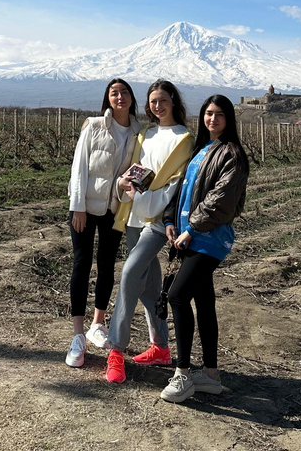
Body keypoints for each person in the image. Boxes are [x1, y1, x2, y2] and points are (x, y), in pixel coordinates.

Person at [159, 94, 249, 402]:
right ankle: (210, 376)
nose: (213, 119)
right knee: (204, 302)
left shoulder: (231, 154)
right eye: (209, 113)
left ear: (229, 119)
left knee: (177, 296)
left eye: (220, 114)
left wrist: (192, 229)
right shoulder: (201, 150)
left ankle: (183, 373)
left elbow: (221, 201)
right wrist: (171, 220)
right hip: (190, 235)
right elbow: (183, 192)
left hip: (208, 238)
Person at [105, 80, 194, 383]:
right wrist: (129, 183)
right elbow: (137, 169)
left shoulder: (184, 139)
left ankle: (115, 349)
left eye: (163, 100)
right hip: (135, 216)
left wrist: (141, 200)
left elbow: (174, 188)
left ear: (173, 101)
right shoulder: (146, 133)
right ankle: (161, 347)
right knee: (149, 287)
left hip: (158, 222)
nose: (158, 106)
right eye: (153, 101)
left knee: (130, 273)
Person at [65, 78, 143, 367]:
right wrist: (78, 206)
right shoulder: (94, 126)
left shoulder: (139, 133)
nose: (119, 97)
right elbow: (79, 167)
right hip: (85, 207)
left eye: (124, 92)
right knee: (81, 263)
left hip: (115, 208)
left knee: (107, 263)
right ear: (107, 99)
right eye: (114, 93)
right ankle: (77, 335)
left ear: (132, 98)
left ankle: (97, 325)